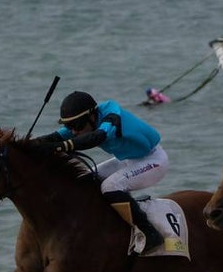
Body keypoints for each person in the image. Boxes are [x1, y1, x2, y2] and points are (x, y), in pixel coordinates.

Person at [36, 91, 169, 251]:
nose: (74, 131)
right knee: (84, 179)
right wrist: (26, 144)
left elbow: (96, 137)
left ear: (92, 116)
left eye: (77, 126)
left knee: (110, 187)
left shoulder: (111, 117)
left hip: (153, 160)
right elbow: (55, 137)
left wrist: (60, 147)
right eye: (69, 126)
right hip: (129, 160)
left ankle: (150, 234)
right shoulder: (84, 122)